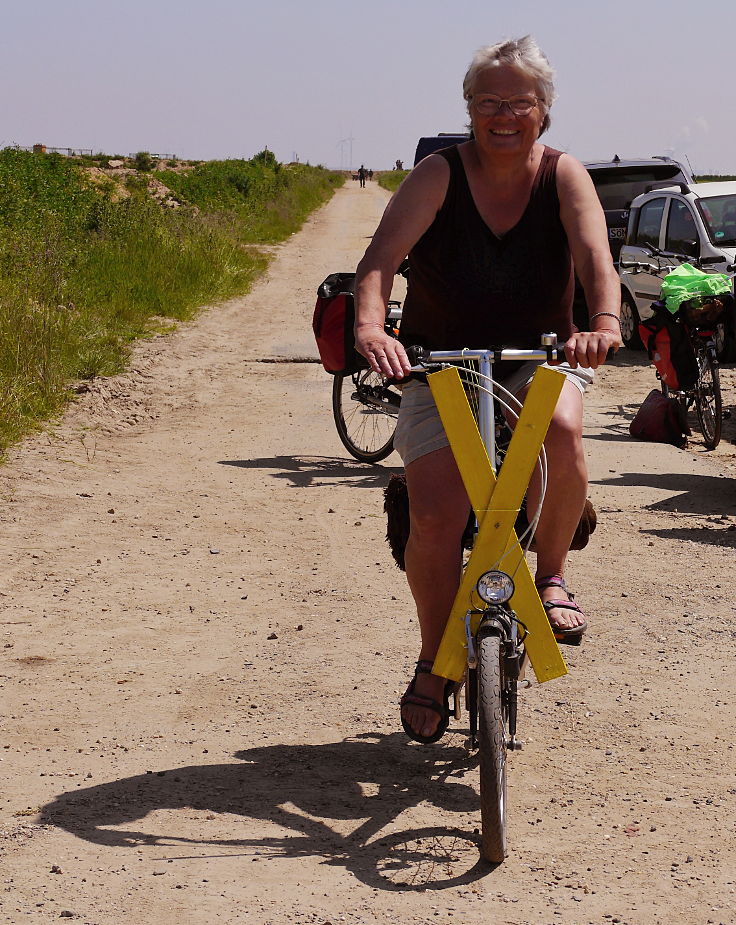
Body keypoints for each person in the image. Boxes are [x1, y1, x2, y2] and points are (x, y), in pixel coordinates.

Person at [353, 36, 621, 744]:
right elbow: (379, 262)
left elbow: (596, 255)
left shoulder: (564, 177)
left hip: (540, 354)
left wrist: (602, 321)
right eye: (487, 101)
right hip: (442, 361)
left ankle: (554, 575)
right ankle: (434, 662)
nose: (504, 115)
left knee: (562, 432)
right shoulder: (437, 175)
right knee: (436, 512)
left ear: (545, 111)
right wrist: (371, 326)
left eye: (519, 102)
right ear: (468, 109)